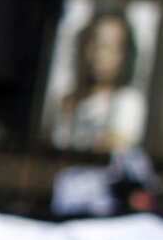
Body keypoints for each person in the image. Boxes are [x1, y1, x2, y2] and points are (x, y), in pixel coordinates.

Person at [52, 8, 147, 152]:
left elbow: (118, 149)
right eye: (95, 43)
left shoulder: (129, 101)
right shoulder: (67, 99)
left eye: (110, 48)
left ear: (124, 55)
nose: (100, 54)